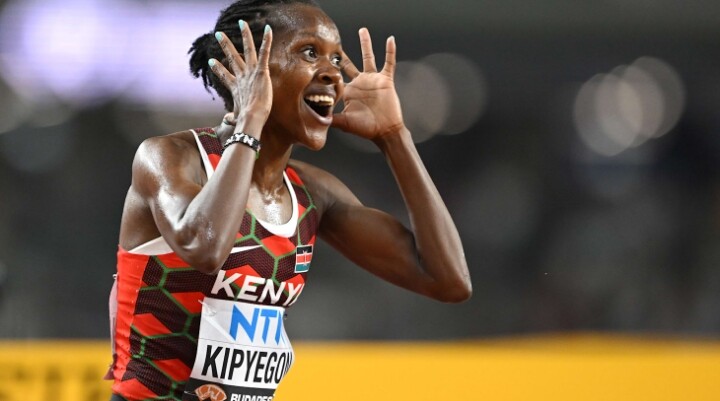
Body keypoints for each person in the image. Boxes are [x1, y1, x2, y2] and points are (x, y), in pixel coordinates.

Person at [107, 0, 471, 400]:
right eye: (310, 52)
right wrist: (250, 119)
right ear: (249, 67)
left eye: (336, 58)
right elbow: (204, 247)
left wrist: (394, 136)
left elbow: (447, 280)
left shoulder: (312, 192)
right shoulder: (171, 157)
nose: (332, 73)